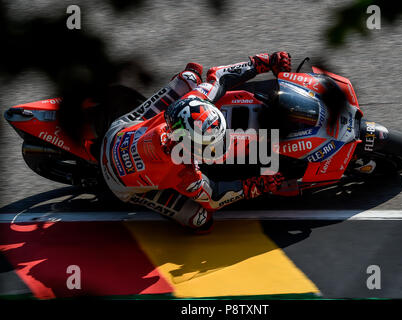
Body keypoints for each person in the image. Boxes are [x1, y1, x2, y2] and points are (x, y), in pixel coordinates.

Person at [100, 52, 291, 233]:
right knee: (200, 220)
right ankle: (141, 195)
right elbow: (214, 198)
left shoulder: (192, 102)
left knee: (190, 78)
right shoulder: (185, 171)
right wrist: (255, 186)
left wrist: (264, 61)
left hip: (120, 132)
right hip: (120, 184)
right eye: (211, 145)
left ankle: (182, 79)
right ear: (189, 146)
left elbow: (220, 77)